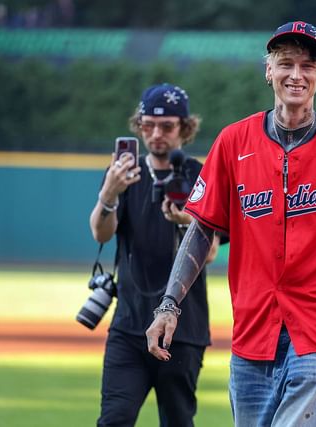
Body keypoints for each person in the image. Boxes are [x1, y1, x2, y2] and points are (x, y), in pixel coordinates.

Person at [145, 21, 316, 427]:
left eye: (307, 65)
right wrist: (169, 305)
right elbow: (201, 229)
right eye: (285, 63)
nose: (296, 74)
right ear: (268, 71)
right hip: (253, 329)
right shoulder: (233, 141)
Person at [89, 83, 219, 427]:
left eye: (167, 126)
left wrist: (188, 223)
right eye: (148, 125)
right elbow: (101, 232)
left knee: (177, 421)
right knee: (114, 419)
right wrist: (109, 193)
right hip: (129, 323)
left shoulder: (198, 175)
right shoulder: (123, 174)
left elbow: (211, 252)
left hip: (183, 329)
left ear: (185, 128)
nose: (156, 134)